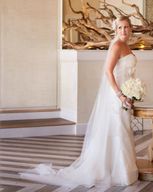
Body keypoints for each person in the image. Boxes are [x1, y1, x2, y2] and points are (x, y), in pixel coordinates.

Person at [20, 16, 138, 189]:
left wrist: (133, 92)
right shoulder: (117, 45)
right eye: (120, 28)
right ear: (116, 30)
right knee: (118, 131)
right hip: (116, 97)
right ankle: (118, 172)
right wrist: (120, 95)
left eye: (126, 27)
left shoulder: (126, 45)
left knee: (122, 131)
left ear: (131, 29)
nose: (123, 31)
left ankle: (119, 169)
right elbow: (108, 72)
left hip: (126, 96)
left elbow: (126, 73)